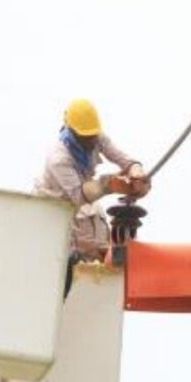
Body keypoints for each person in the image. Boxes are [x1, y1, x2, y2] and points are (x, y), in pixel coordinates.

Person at [34, 98, 150, 261]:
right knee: (65, 255)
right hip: (54, 207)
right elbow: (78, 195)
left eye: (93, 135)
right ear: (72, 132)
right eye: (85, 137)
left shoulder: (96, 136)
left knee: (98, 246)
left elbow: (122, 158)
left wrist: (136, 172)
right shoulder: (59, 158)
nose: (90, 141)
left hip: (82, 206)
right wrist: (109, 185)